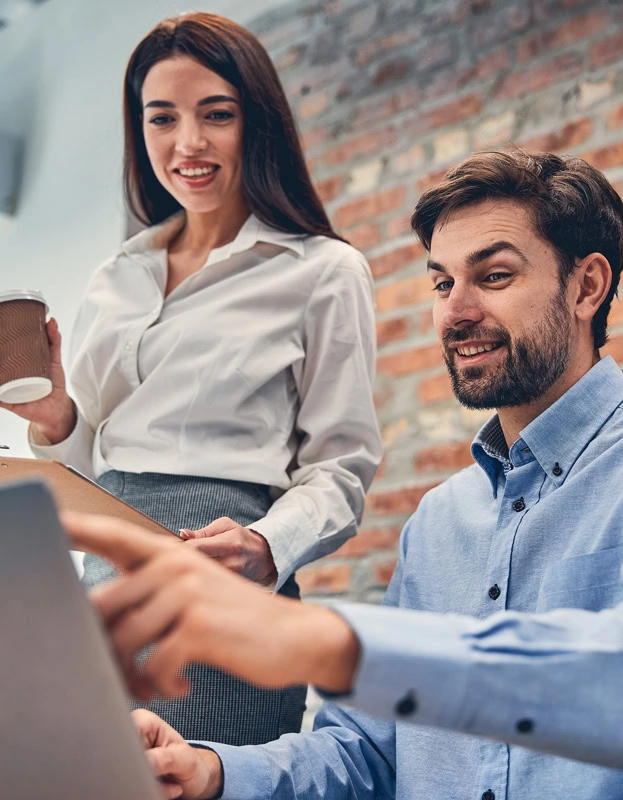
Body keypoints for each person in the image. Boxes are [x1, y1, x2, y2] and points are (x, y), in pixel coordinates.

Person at [65, 150, 623, 800]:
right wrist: (205, 770)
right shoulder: (441, 521)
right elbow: (365, 754)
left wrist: (328, 642)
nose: (455, 311)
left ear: (587, 285)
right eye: (443, 282)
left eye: (494, 277)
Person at [0, 12, 381, 746]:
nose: (188, 144)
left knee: (209, 780)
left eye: (217, 115)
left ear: (258, 122)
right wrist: (55, 419)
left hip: (226, 581)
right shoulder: (117, 276)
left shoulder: (322, 271)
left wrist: (266, 544)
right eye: (162, 118)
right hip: (105, 586)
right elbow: (99, 465)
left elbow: (342, 470)